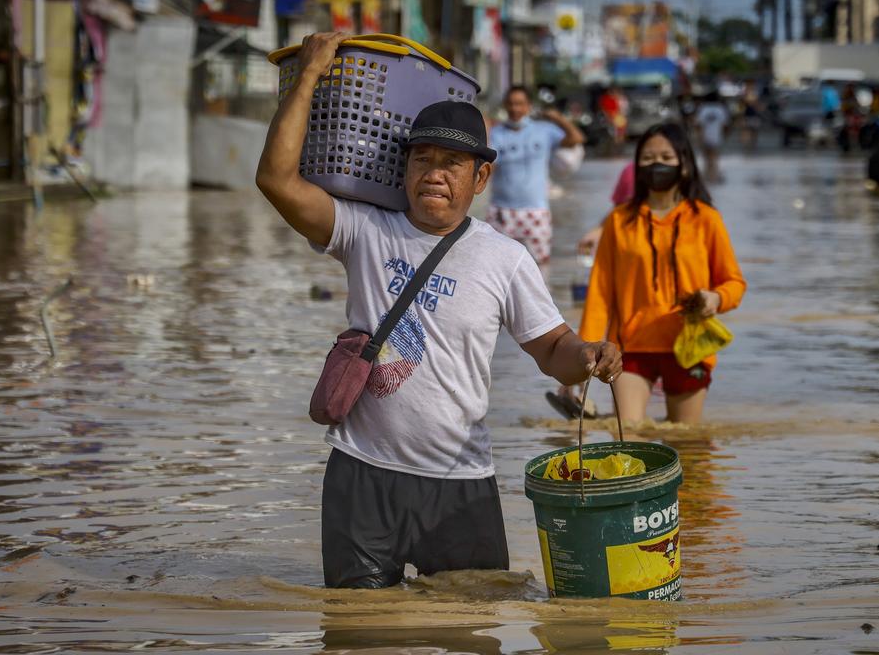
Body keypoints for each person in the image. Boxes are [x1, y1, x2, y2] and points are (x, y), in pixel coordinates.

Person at [255, 33, 623, 588]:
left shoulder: (505, 258)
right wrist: (309, 74)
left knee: (470, 627)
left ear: (480, 178)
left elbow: (552, 350)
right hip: (362, 472)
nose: (434, 173)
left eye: (452, 163)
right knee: (358, 633)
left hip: (460, 481)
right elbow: (276, 181)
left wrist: (589, 354)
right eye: (422, 158)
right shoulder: (364, 230)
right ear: (401, 169)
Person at [579, 122, 746, 425]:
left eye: (667, 157)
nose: (657, 164)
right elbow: (600, 294)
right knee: (627, 436)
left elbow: (734, 282)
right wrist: (584, 353)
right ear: (637, 167)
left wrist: (716, 298)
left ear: (684, 164)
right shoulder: (619, 221)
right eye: (648, 158)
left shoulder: (705, 219)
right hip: (630, 348)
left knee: (688, 447)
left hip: (689, 346)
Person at [487, 85, 585, 270]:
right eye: (511, 104)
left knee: (540, 267)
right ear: (505, 106)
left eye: (520, 104)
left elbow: (577, 138)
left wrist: (557, 118)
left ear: (528, 106)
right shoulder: (496, 133)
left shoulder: (545, 130)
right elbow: (487, 168)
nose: (515, 109)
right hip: (501, 211)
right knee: (497, 267)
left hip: (536, 211)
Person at [695, 94, 730, 182]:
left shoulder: (703, 108)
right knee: (714, 157)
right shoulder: (720, 109)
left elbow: (699, 124)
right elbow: (725, 124)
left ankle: (707, 176)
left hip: (705, 135)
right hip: (717, 136)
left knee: (706, 158)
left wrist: (699, 136)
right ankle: (714, 176)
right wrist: (725, 135)